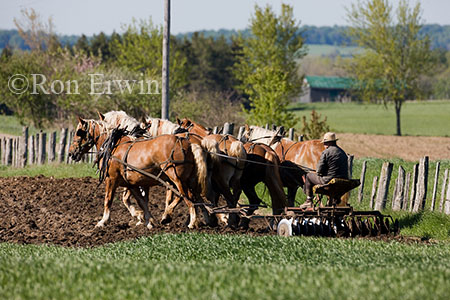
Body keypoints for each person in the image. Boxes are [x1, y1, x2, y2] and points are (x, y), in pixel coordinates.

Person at [300, 132, 348, 209]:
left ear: (329, 143)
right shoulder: (342, 152)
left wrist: (322, 173)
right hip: (343, 180)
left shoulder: (326, 152)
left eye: (325, 143)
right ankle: (336, 198)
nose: (324, 145)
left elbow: (319, 171)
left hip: (329, 180)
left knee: (309, 176)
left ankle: (308, 200)